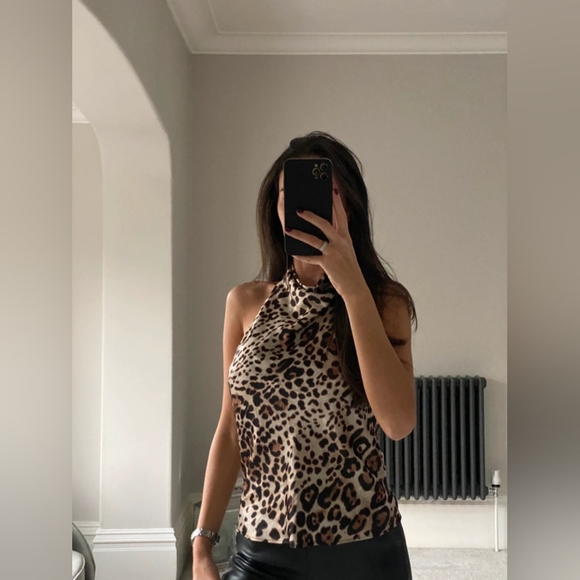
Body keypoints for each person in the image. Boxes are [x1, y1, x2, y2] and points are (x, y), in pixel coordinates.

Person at [192, 131, 417, 580]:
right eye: (289, 194)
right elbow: (231, 428)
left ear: (349, 207)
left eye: (327, 194)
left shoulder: (383, 302)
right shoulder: (244, 303)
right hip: (261, 550)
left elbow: (398, 423)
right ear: (276, 210)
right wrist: (202, 545)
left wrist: (352, 288)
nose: (307, 206)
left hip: (365, 550)